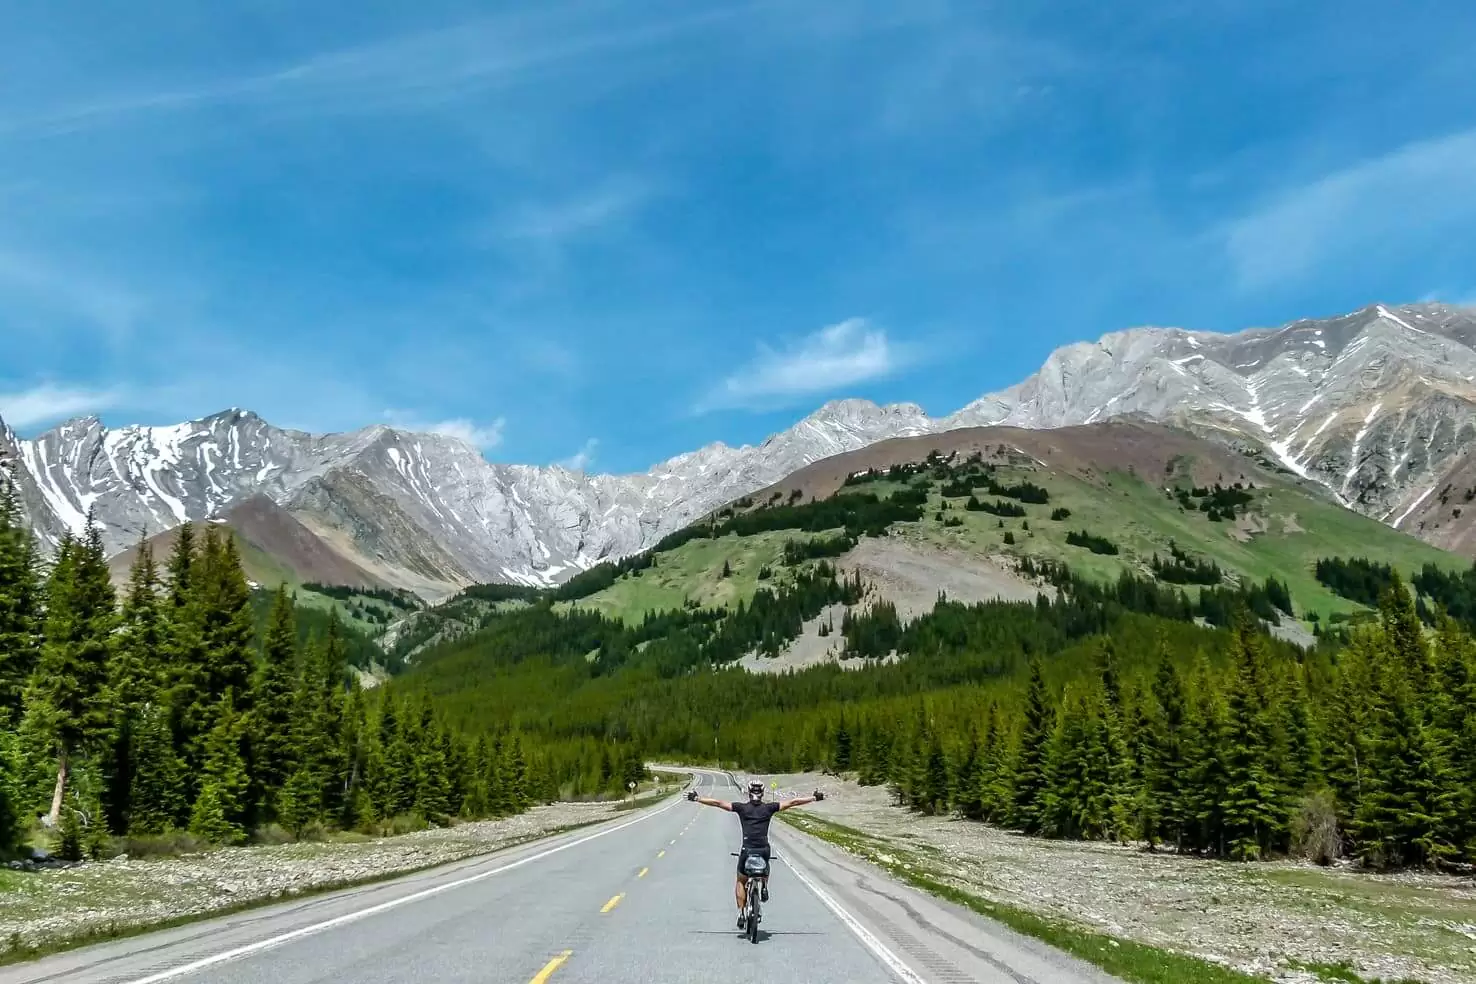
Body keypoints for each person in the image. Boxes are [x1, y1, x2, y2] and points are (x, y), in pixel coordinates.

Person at [687, 779, 824, 928]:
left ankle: (741, 913)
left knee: (741, 880)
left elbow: (718, 803)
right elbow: (793, 802)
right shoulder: (769, 808)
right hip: (763, 848)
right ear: (762, 793)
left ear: (749, 792)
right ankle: (764, 885)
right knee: (766, 865)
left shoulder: (742, 808)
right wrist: (814, 798)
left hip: (748, 849)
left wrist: (697, 798)